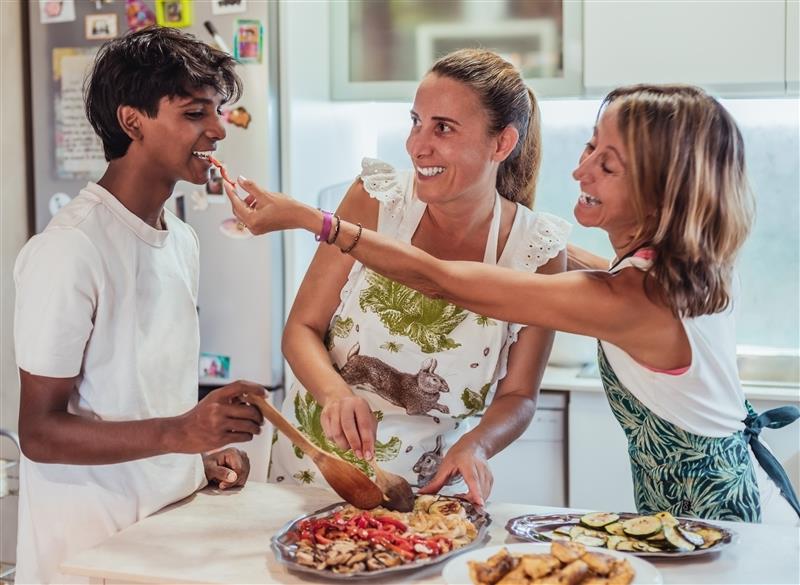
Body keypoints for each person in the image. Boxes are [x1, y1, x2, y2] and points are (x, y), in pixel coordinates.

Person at [227, 84, 799, 524]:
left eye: (608, 164)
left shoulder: (631, 299)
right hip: (710, 510)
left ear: (664, 187)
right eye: (588, 147)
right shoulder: (684, 270)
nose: (580, 170)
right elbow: (569, 262)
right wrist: (527, 234)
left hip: (720, 524)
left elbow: (443, 280)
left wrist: (307, 218)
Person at [14, 26, 266, 583]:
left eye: (219, 111)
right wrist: (181, 433)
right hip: (89, 551)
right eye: (196, 113)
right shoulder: (70, 249)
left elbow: (136, 400)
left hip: (163, 536)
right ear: (134, 122)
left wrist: (193, 458)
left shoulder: (181, 240)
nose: (219, 129)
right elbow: (39, 432)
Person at [266, 49, 569, 506]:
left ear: (502, 144)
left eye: (443, 127)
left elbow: (520, 395)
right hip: (312, 473)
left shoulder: (536, 250)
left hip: (425, 494)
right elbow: (301, 329)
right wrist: (334, 394)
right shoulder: (376, 200)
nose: (416, 145)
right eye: (416, 121)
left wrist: (478, 444)